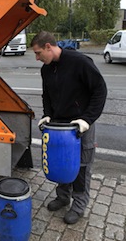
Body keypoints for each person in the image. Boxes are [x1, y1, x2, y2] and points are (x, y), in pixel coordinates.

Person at [31, 31, 107, 224]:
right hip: (58, 126)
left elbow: (100, 89)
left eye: (38, 53)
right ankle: (63, 197)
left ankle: (79, 205)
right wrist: (47, 114)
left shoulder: (79, 62)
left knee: (81, 166)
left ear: (49, 46)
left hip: (80, 125)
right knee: (61, 162)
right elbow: (46, 95)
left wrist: (87, 120)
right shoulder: (46, 70)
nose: (37, 58)